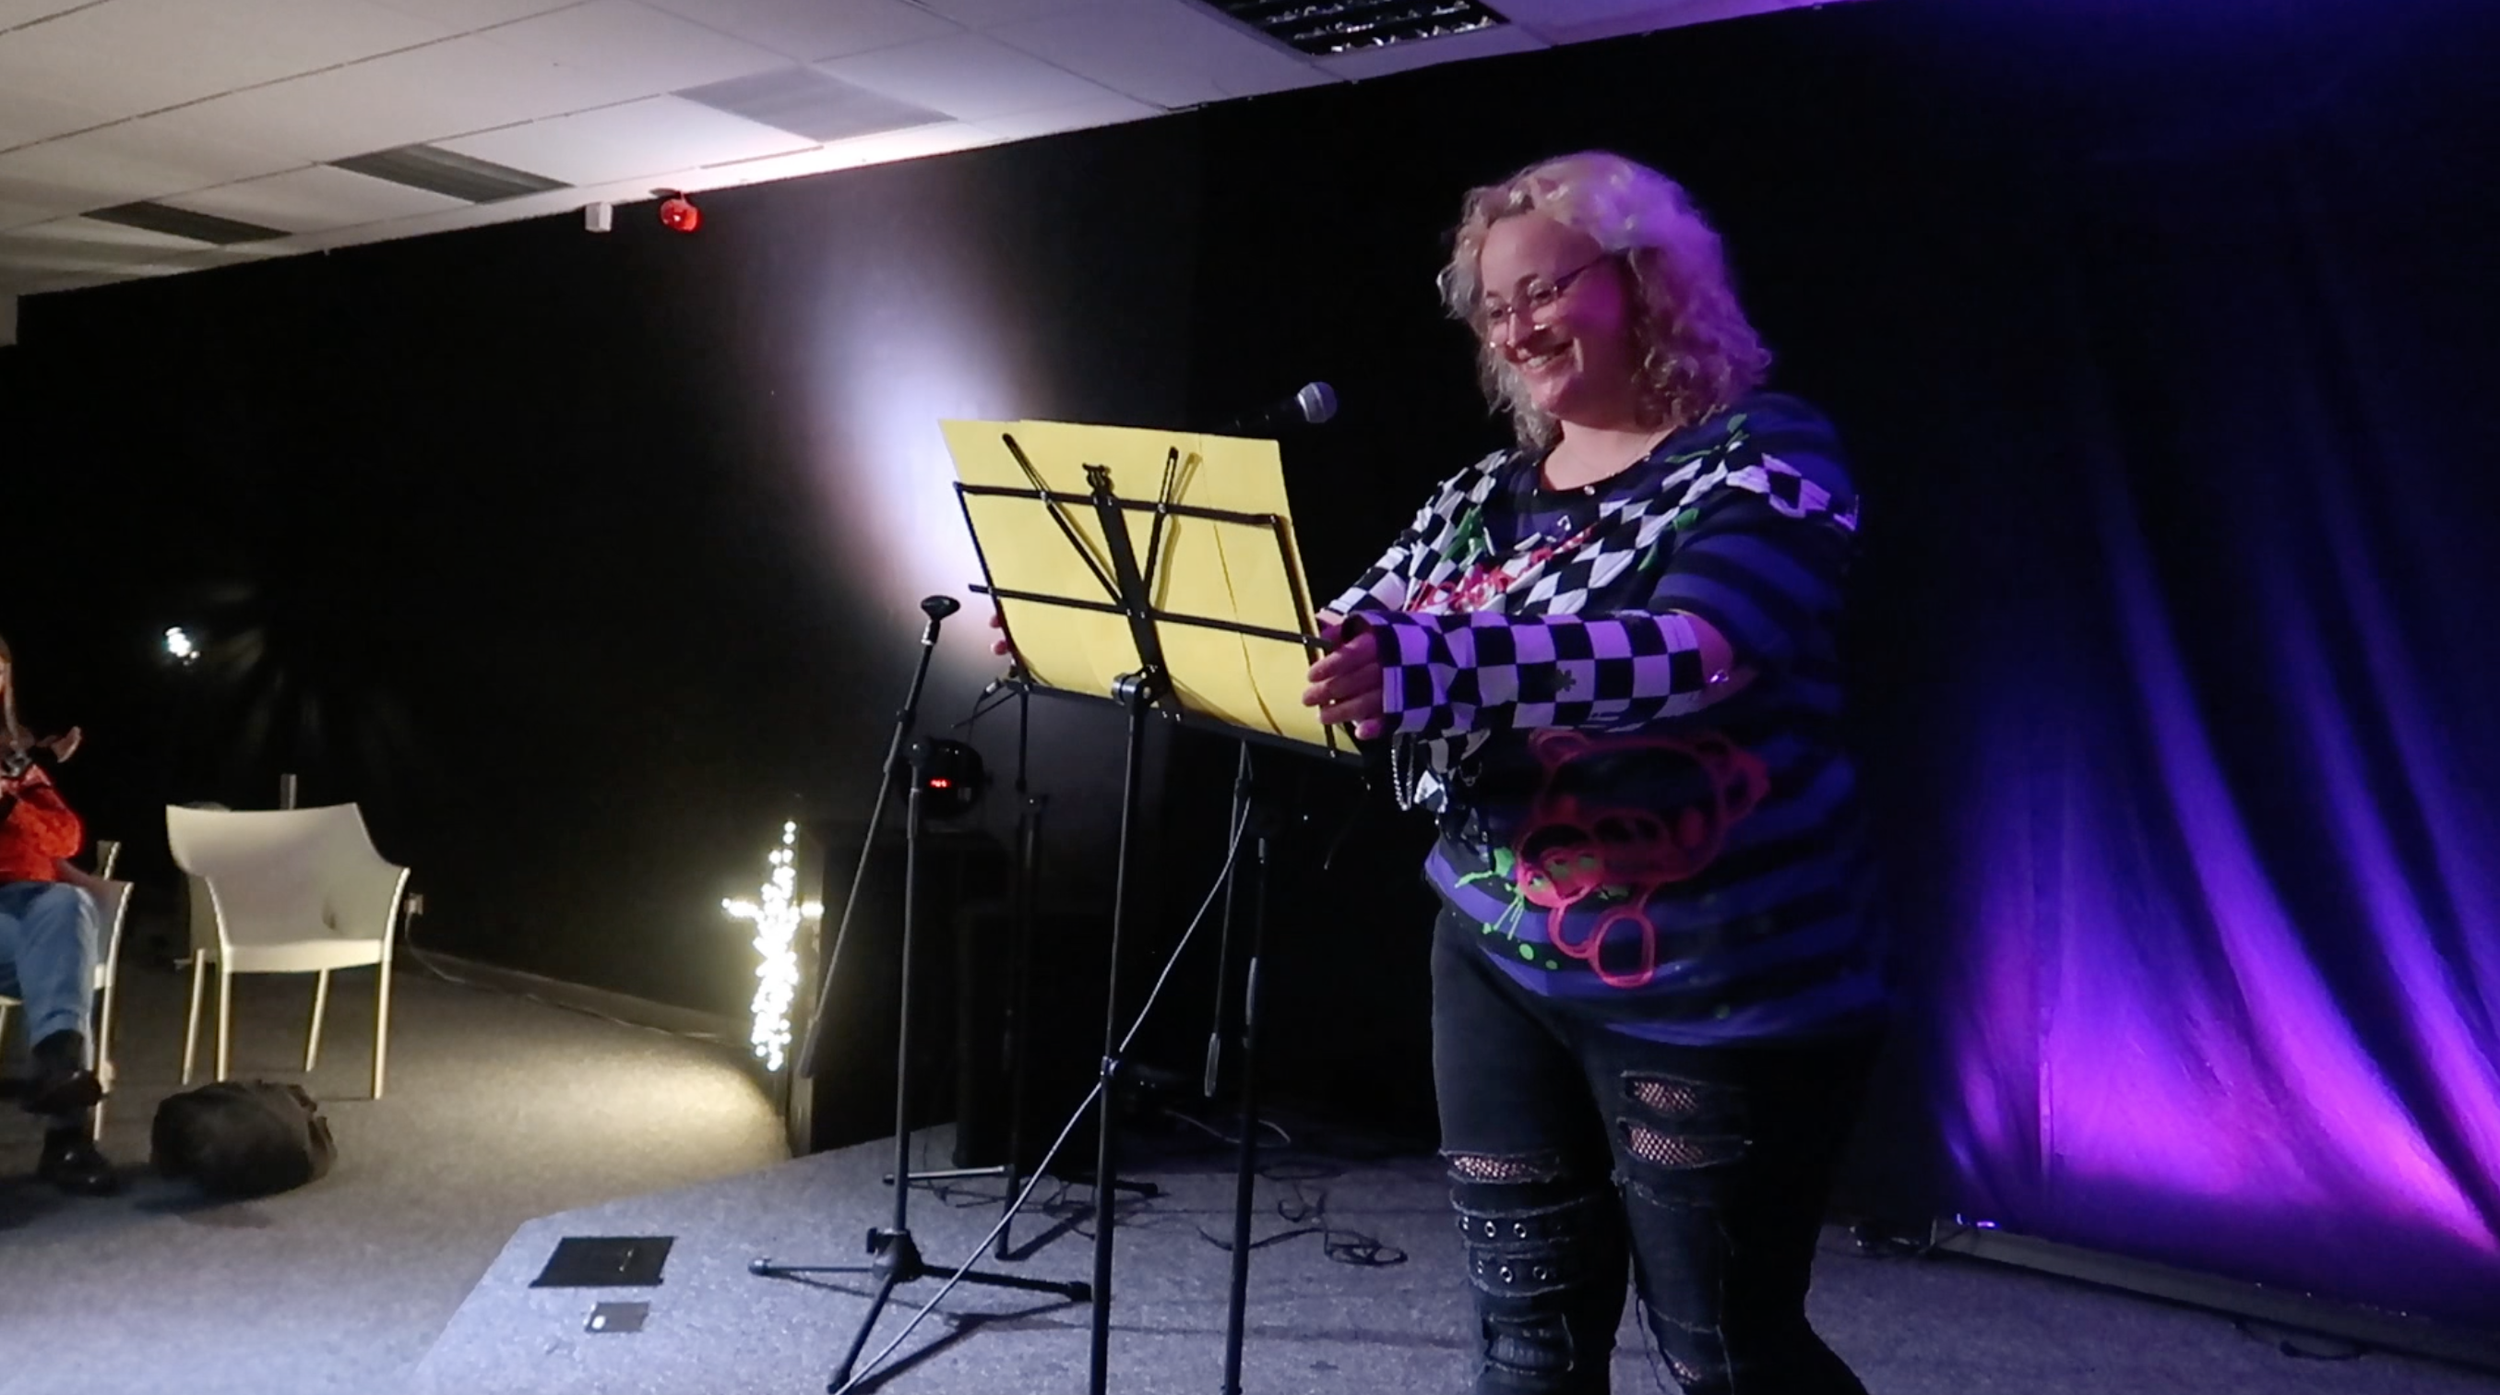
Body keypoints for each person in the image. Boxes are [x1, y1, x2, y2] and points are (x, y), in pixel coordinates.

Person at [1299, 152, 1882, 1394]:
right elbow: (1337, 645)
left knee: (1723, 1349)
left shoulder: (1762, 452)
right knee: (1524, 1351)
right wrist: (1139, 638)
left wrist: (1430, 670)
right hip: (1495, 956)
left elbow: (1692, 653)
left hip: (1713, 983)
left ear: (1643, 282)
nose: (1515, 329)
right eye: (1493, 308)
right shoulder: (1478, 497)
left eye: (1543, 291)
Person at [0, 632, 116, 1196]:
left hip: (22, 915)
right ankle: (66, 1108)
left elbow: (67, 837)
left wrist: (11, 803)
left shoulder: (17, 766)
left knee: (67, 906)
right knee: (60, 946)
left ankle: (62, 1092)